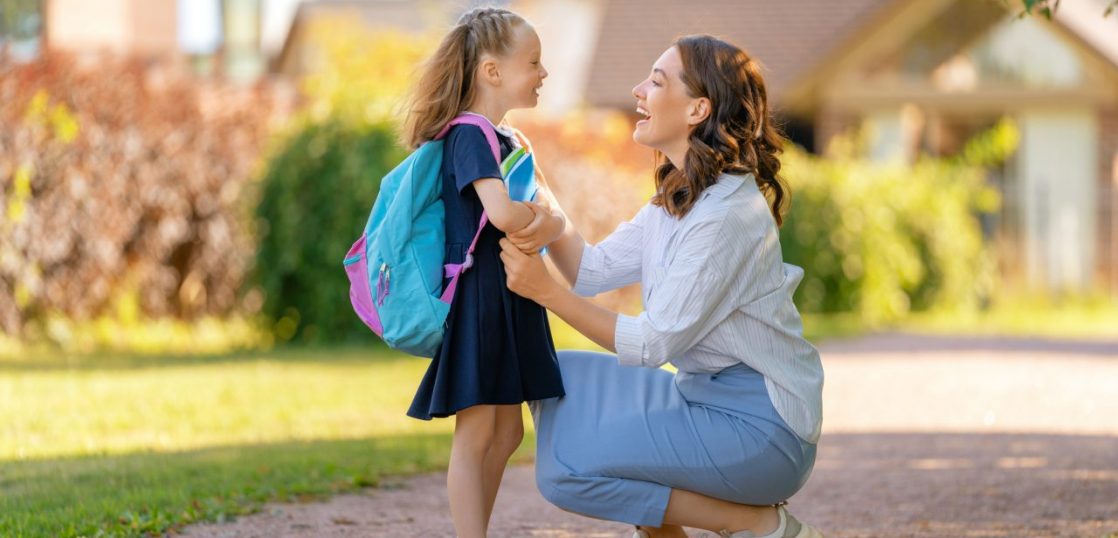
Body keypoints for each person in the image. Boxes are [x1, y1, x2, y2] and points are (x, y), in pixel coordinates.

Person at [499, 34, 825, 538]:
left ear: (698, 108)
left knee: (568, 472)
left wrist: (544, 291)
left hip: (763, 432)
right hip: (703, 399)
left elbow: (651, 343)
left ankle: (755, 523)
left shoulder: (725, 216)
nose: (637, 90)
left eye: (655, 80)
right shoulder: (681, 194)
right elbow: (591, 270)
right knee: (556, 379)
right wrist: (537, 181)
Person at [400, 7, 565, 538]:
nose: (544, 73)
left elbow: (546, 211)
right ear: (492, 71)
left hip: (511, 291)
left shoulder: (507, 137)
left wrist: (542, 219)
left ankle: (478, 528)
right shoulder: (469, 134)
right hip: (480, 293)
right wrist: (540, 220)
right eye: (534, 62)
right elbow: (500, 212)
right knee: (477, 430)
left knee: (508, 429)